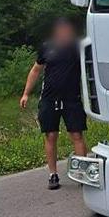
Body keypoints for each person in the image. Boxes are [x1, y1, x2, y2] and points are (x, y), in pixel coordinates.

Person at [20, 17, 88, 189]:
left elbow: (90, 65)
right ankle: (53, 174)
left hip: (71, 98)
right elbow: (36, 70)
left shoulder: (77, 47)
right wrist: (26, 93)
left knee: (77, 135)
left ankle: (83, 173)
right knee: (51, 135)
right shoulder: (47, 47)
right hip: (50, 98)